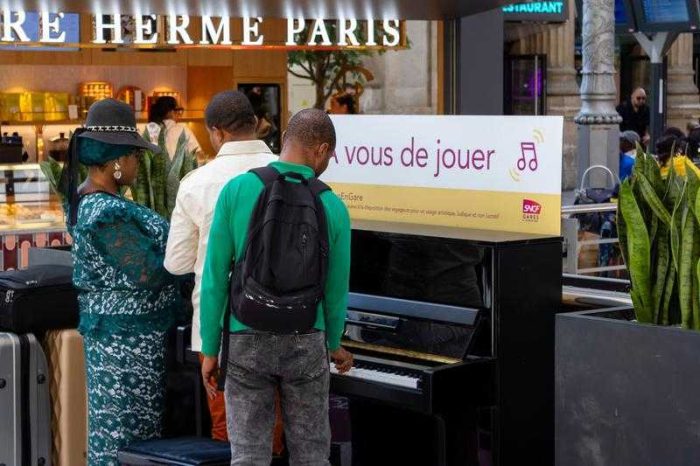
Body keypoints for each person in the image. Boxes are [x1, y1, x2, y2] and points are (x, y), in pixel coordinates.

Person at [200, 109, 353, 465]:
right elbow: (335, 290)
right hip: (305, 338)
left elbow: (214, 277)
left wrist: (210, 349)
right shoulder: (332, 205)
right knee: (312, 453)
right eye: (330, 157)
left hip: (245, 335)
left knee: (249, 456)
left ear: (285, 138)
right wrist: (332, 343)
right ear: (321, 149)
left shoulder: (237, 190)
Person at [61, 99, 182, 465]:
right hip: (126, 347)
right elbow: (147, 272)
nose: (137, 164)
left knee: (126, 439)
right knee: (129, 441)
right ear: (117, 161)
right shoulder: (105, 211)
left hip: (124, 340)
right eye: (134, 156)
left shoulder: (93, 201)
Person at [163, 90, 282, 448]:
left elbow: (177, 263)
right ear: (255, 125)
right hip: (288, 321)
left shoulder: (197, 182)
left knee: (227, 435)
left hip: (219, 329)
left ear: (216, 133)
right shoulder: (291, 175)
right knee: (277, 432)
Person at [148, 96, 203, 160]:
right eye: (177, 110)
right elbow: (199, 155)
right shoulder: (183, 130)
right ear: (170, 112)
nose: (179, 114)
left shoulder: (149, 131)